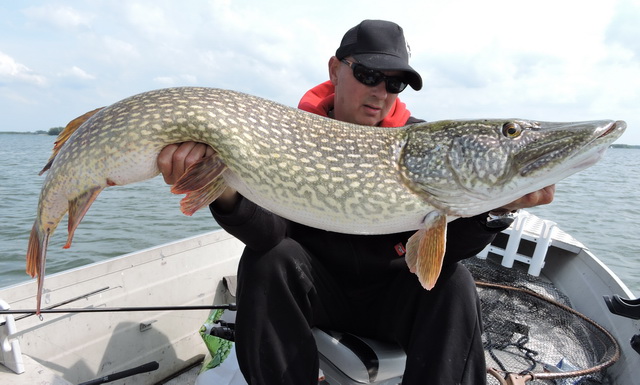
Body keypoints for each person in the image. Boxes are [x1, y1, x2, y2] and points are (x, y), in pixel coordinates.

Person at [158, 20, 555, 385]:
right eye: (368, 75)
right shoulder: (286, 136)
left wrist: (497, 208)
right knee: (267, 262)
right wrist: (222, 189)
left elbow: (450, 249)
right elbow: (269, 235)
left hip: (391, 297)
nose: (380, 92)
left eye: (395, 84)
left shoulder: (422, 146)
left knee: (453, 283)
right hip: (317, 293)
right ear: (335, 70)